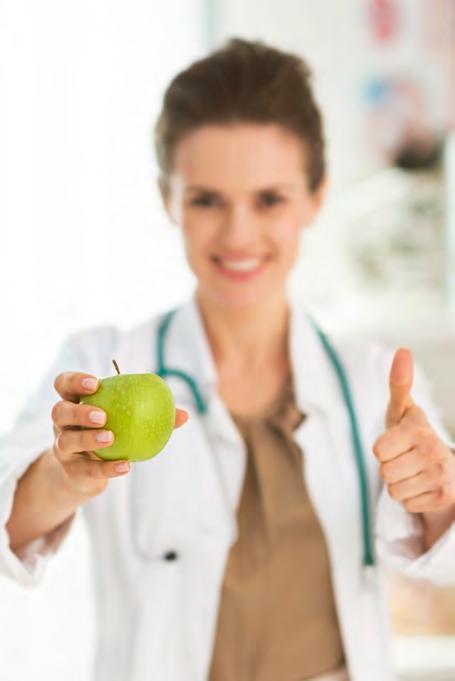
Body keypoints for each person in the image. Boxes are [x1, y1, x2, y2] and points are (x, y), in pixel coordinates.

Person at [1, 38, 455, 681]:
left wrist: (438, 493)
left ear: (316, 197)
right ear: (168, 199)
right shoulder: (101, 364)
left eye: (269, 199)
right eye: (206, 200)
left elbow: (444, 552)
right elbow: (9, 526)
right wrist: (62, 475)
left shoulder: (376, 382)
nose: (238, 234)